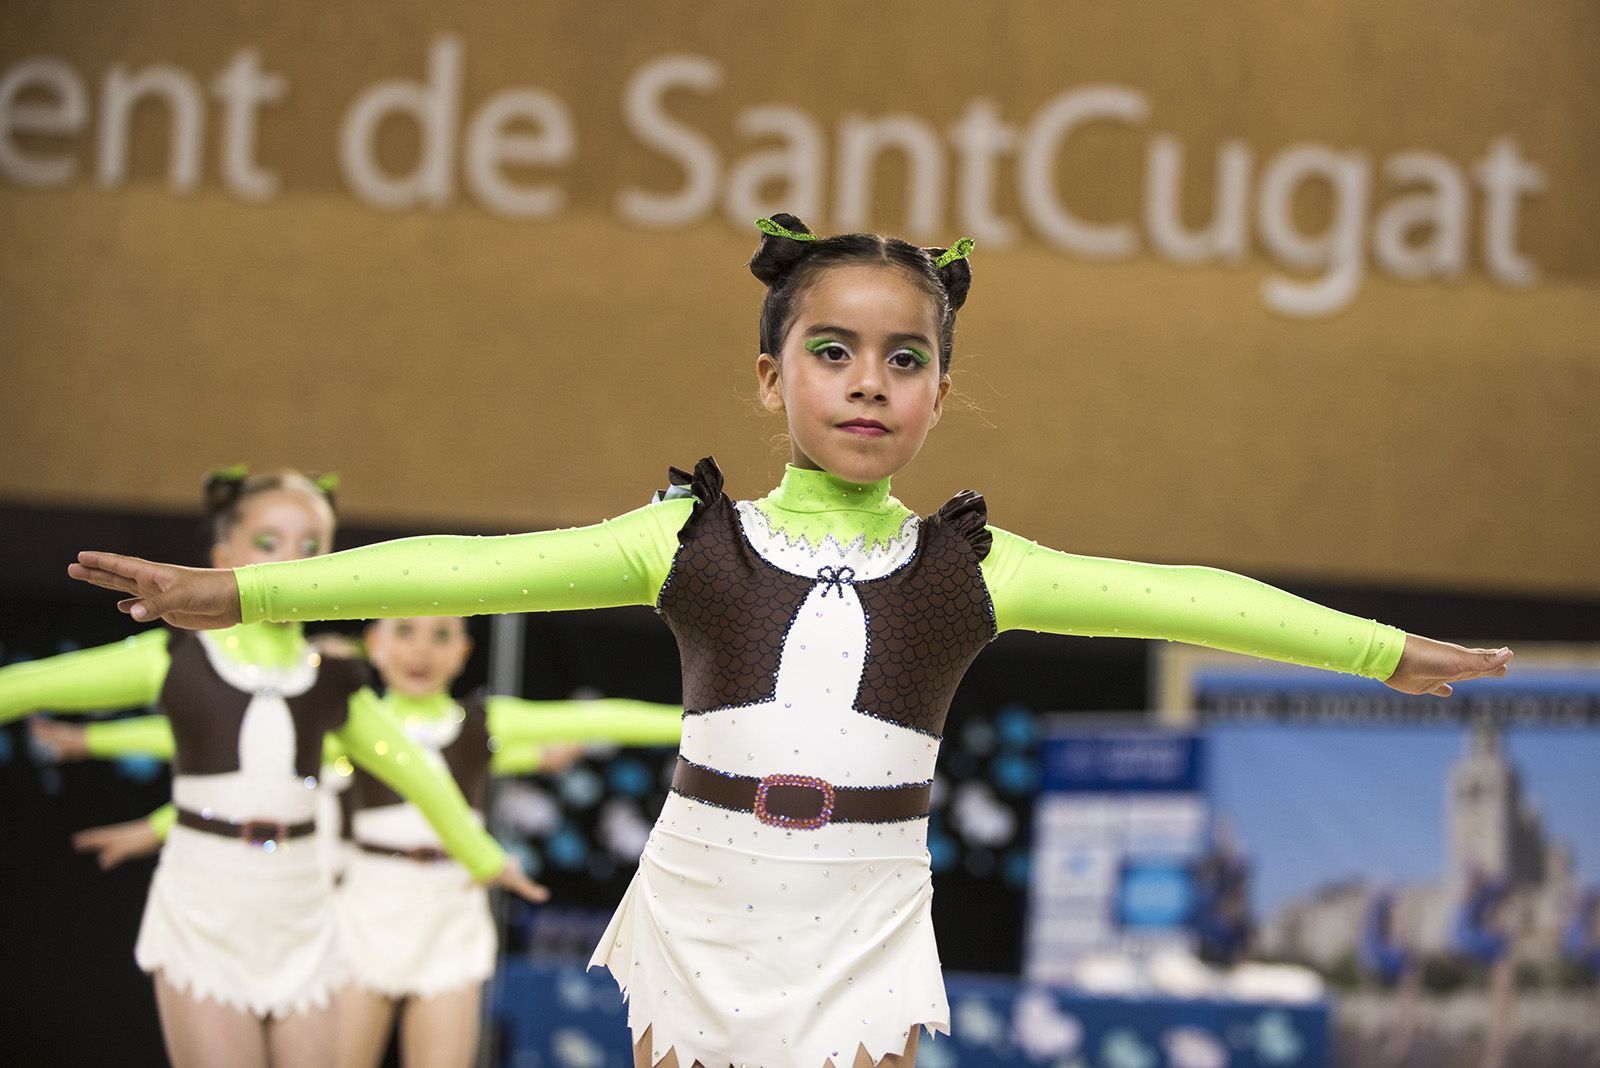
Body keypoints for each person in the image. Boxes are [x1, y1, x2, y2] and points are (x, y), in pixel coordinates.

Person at [67, 215, 1514, 1068]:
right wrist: (243, 597)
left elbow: (1194, 595)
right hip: (705, 889)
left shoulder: (974, 568)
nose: (868, 384)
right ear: (770, 377)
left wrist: (1385, 653)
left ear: (943, 392)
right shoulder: (682, 539)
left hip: (869, 901)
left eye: (906, 359)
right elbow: (479, 566)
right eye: (833, 352)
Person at [4, 468, 542, 1068]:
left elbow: (417, 773)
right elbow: (23, 687)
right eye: (269, 543)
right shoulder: (178, 655)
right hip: (206, 905)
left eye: (311, 548)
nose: (290, 560)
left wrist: (484, 859)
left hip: (303, 912)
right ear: (220, 557)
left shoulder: (332, 679)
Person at [41, 613, 683, 1068]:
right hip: (364, 912)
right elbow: (214, 768)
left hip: (449, 919)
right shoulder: (347, 723)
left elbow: (605, 717)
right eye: (403, 631)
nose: (421, 650)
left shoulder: (484, 724)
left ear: (463, 652)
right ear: (373, 645)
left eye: (441, 635)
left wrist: (709, 721)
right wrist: (96, 751)